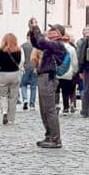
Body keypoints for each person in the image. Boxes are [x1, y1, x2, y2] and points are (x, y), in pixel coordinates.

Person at [27, 18, 67, 148]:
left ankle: (55, 138)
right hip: (43, 77)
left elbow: (41, 42)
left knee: (49, 109)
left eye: (52, 30)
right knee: (44, 110)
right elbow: (36, 43)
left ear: (59, 34)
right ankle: (49, 135)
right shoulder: (51, 44)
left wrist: (36, 28)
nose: (49, 31)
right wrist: (32, 30)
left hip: (49, 78)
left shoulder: (58, 45)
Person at [0, 32, 23, 125]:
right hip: (15, 74)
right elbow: (19, 62)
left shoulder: (2, 50)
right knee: (13, 97)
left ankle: (4, 112)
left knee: (2, 95)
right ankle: (11, 119)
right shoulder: (18, 50)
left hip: (3, 74)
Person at [56, 33, 79, 114]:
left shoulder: (57, 48)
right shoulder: (72, 49)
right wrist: (75, 71)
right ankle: (66, 108)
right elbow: (75, 62)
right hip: (68, 72)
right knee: (65, 91)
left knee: (57, 90)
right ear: (69, 40)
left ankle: (56, 104)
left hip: (58, 72)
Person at [20, 37, 37, 110]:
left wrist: (21, 67)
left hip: (25, 67)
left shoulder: (22, 46)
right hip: (34, 67)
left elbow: (22, 58)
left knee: (23, 85)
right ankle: (32, 104)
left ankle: (25, 99)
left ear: (27, 37)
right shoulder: (36, 46)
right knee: (33, 87)